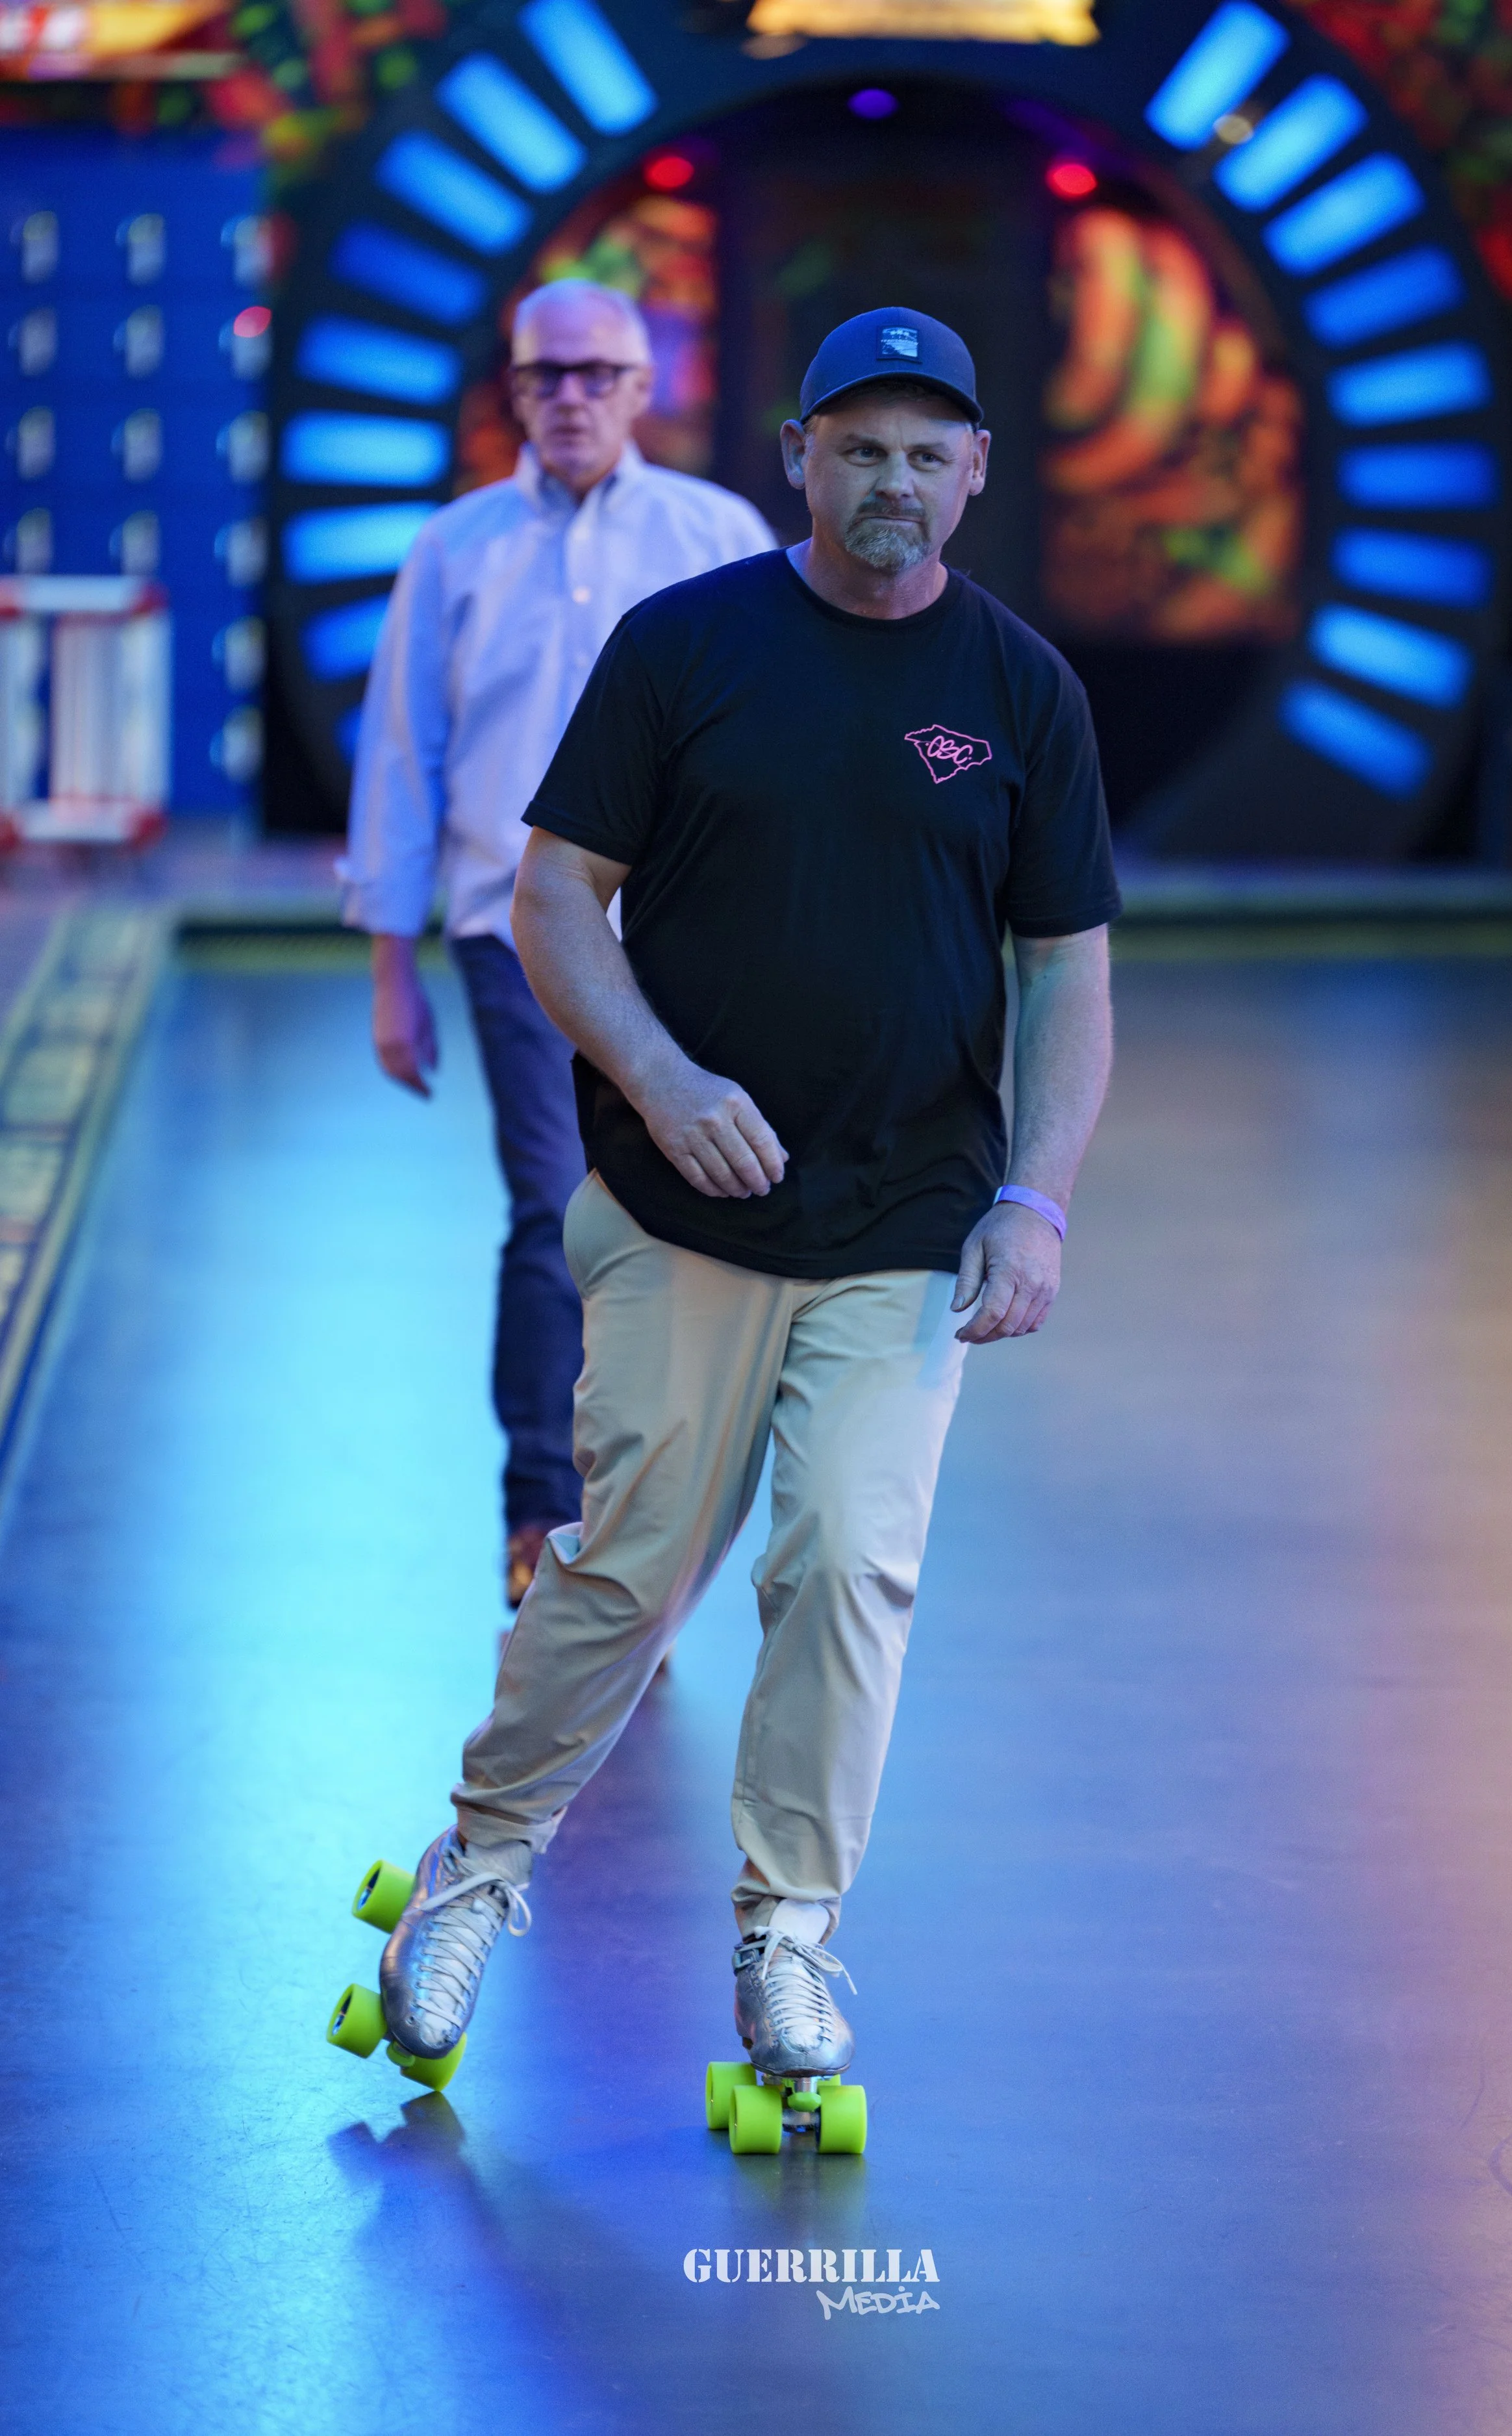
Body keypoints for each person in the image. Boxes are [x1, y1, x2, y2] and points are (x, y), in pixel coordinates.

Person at [373, 307, 1120, 2099]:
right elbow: (554, 900)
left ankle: (787, 1932)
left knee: (847, 1564)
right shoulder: (685, 643)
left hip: (903, 1229)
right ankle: (476, 1867)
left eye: (928, 451)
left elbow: (1068, 972)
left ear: (974, 475)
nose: (894, 480)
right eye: (859, 445)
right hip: (680, 1211)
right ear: (797, 453)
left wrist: (1038, 1193)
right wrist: (662, 1076)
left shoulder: (1020, 688)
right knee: (624, 1570)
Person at [340, 281, 777, 1606]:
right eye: (547, 378)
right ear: (514, 392)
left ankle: (647, 1523)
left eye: (598, 375)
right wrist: (387, 969)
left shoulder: (719, 537)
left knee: (687, 1222)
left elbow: (774, 747)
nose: (572, 398)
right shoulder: (456, 548)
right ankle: (541, 1513)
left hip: (687, 936)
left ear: (643, 389)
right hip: (507, 930)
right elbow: (405, 750)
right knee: (553, 1211)